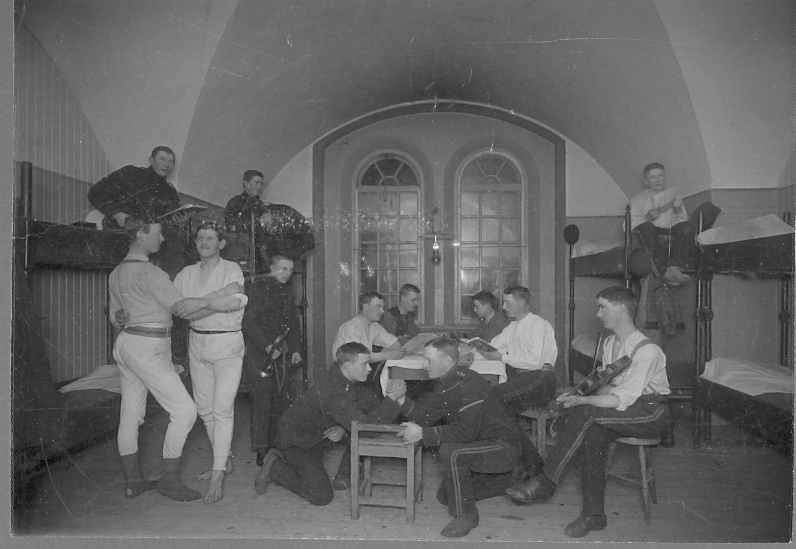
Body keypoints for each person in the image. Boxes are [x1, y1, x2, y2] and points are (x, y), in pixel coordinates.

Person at [505, 286, 670, 538]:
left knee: (586, 414)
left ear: (621, 309)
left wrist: (584, 401)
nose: (598, 314)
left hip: (650, 412)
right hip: (625, 408)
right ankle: (595, 515)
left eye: (603, 307)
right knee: (593, 431)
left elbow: (621, 398)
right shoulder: (611, 343)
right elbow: (606, 385)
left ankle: (546, 482)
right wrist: (581, 395)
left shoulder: (647, 350)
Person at [109, 216, 243, 502]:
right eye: (158, 233)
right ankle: (168, 480)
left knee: (130, 414)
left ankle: (133, 482)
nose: (162, 239)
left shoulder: (117, 272)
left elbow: (115, 316)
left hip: (126, 344)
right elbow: (185, 309)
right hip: (149, 346)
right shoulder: (153, 274)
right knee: (185, 411)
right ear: (141, 235)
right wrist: (225, 295)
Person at [397, 338, 523, 538]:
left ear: (447, 360)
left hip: (503, 447)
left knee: (450, 451)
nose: (423, 365)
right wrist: (401, 398)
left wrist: (421, 434)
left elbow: (465, 432)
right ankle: (508, 479)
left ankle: (467, 516)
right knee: (445, 496)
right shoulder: (446, 383)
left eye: (428, 360)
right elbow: (425, 416)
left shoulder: (470, 384)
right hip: (481, 444)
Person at [253, 342, 407, 505]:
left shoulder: (343, 377)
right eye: (365, 364)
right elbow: (367, 429)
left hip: (317, 435)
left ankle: (342, 476)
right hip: (296, 442)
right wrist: (392, 398)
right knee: (321, 496)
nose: (369, 368)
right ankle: (275, 467)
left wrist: (343, 426)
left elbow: (370, 404)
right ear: (348, 366)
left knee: (352, 429)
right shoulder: (333, 391)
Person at [172, 221, 248, 504]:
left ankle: (217, 475)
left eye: (211, 238)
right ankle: (223, 462)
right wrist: (214, 298)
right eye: (200, 238)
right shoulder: (186, 274)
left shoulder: (231, 269)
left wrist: (199, 303)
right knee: (204, 409)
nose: (204, 242)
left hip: (226, 343)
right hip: (197, 342)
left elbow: (235, 302)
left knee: (222, 409)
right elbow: (175, 306)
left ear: (221, 243)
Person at [241, 254, 302, 467]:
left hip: (281, 353)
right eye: (283, 269)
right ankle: (261, 448)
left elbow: (292, 322)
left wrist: (296, 349)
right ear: (272, 268)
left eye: (290, 270)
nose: (287, 273)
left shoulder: (286, 290)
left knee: (279, 400)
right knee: (262, 402)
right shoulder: (258, 289)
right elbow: (249, 323)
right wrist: (267, 347)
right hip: (261, 354)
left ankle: (276, 445)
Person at [629, 163, 696, 286]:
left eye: (660, 175)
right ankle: (664, 271)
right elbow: (627, 226)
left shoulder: (673, 196)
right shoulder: (637, 199)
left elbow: (682, 223)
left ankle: (675, 268)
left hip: (669, 230)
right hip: (650, 232)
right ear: (646, 181)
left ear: (665, 176)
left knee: (689, 226)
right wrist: (646, 218)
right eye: (652, 177)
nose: (657, 180)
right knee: (648, 227)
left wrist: (678, 210)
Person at [331, 291, 406, 393]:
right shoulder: (351, 328)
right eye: (378, 307)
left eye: (382, 307)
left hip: (359, 372)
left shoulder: (374, 326)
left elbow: (396, 345)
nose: (382, 311)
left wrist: (385, 351)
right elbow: (357, 358)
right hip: (343, 375)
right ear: (365, 307)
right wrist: (387, 354)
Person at [224, 169, 268, 234]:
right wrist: (259, 222)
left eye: (261, 184)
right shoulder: (235, 202)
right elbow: (232, 227)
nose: (260, 186)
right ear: (246, 183)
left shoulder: (261, 204)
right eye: (256, 183)